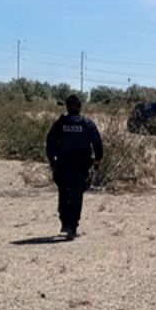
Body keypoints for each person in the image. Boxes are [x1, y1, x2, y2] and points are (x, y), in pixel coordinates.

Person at [45, 95, 103, 240]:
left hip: (62, 165)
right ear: (80, 107)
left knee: (64, 193)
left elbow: (49, 143)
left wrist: (52, 161)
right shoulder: (87, 123)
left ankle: (65, 223)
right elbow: (97, 143)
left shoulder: (60, 123)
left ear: (67, 106)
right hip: (81, 166)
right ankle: (72, 226)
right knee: (77, 195)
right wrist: (97, 160)